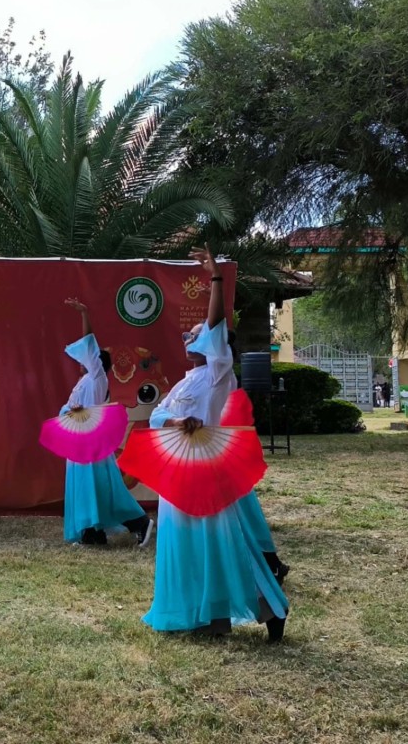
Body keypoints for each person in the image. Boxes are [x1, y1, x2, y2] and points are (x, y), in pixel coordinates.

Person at [143, 246, 288, 641]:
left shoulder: (219, 373)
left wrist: (216, 279)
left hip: (206, 469)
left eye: (194, 334)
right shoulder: (185, 382)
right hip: (178, 473)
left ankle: (271, 610)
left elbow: (216, 324)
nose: (187, 338)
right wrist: (176, 420)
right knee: (188, 545)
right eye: (188, 335)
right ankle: (210, 616)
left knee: (223, 544)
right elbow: (156, 417)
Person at [60, 299, 154, 547]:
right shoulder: (84, 381)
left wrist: (85, 314)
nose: (81, 360)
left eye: (86, 356)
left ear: (96, 362)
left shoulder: (97, 377)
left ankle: (139, 522)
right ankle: (93, 534)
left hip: (92, 442)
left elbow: (90, 345)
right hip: (80, 441)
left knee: (102, 488)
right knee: (85, 489)